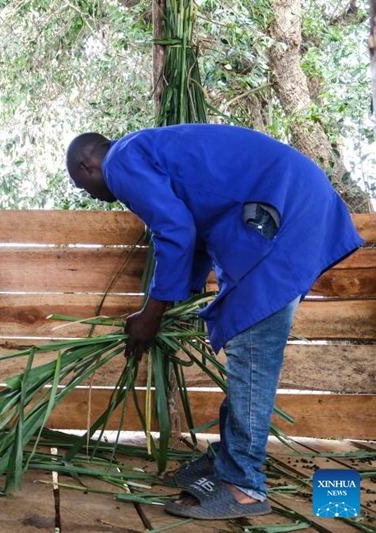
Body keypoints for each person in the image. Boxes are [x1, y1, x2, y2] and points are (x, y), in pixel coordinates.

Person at [66, 124, 364, 520]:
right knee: (245, 339)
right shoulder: (145, 149)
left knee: (251, 348)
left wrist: (152, 314)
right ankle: (229, 460)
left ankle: (242, 486)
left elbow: (174, 229)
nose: (98, 199)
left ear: (88, 166)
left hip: (284, 213)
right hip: (285, 207)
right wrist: (180, 296)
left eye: (88, 190)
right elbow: (195, 231)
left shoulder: (121, 161)